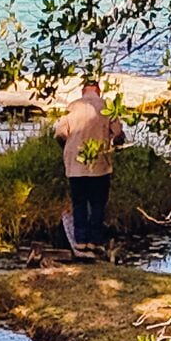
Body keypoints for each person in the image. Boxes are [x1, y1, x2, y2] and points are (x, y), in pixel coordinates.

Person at [54, 77, 124, 257]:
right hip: (100, 164)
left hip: (75, 165)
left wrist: (68, 149)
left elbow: (60, 133)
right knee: (98, 203)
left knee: (79, 203)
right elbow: (119, 135)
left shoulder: (73, 107)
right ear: (98, 91)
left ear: (83, 91)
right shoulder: (107, 107)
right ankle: (94, 242)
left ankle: (81, 242)